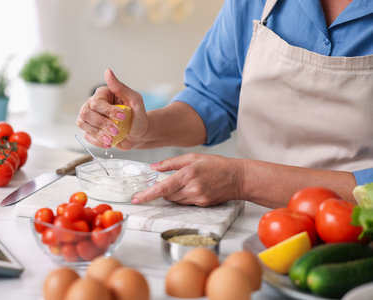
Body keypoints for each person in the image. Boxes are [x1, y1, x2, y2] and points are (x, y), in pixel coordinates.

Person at [76, 0, 373, 208]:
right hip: (250, 226)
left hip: (355, 236)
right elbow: (212, 98)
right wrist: (145, 127)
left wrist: (242, 181)